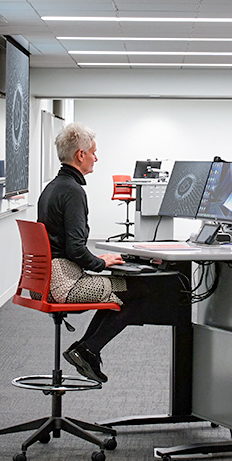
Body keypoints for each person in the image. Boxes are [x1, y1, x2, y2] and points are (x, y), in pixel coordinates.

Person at [37, 122, 147, 384]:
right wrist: (100, 262)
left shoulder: (52, 187)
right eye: (94, 152)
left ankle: (86, 349)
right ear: (80, 155)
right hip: (64, 284)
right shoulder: (73, 191)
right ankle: (88, 349)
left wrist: (99, 262)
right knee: (138, 290)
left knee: (119, 288)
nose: (96, 157)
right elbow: (75, 249)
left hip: (45, 280)